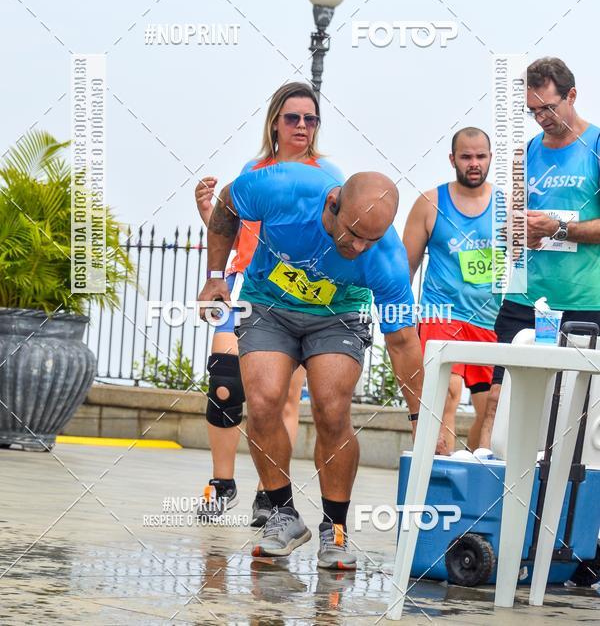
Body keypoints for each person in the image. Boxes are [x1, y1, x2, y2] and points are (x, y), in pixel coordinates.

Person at [199, 164, 429, 570]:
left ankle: (335, 530)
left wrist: (419, 417)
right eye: (353, 234)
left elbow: (403, 341)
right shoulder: (285, 190)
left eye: (369, 240)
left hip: (338, 315)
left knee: (331, 406)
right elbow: (228, 204)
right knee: (265, 399)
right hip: (269, 305)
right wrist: (216, 276)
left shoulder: (386, 258)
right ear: (333, 203)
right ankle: (283, 514)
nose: (359, 247)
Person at [195, 81, 348, 526]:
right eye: (293, 118)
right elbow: (237, 230)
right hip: (253, 288)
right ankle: (223, 483)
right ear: (275, 123)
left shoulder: (328, 175)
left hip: (305, 294)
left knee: (281, 397)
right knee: (226, 380)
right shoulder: (254, 169)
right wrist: (211, 222)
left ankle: (271, 494)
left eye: (310, 119)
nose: (302, 126)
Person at [479, 57, 600, 448]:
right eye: (533, 111)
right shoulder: (523, 154)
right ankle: (495, 496)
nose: (541, 118)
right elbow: (512, 222)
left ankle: (561, 502)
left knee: (574, 417)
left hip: (584, 301)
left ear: (572, 96)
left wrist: (560, 228)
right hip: (524, 298)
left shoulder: (594, 146)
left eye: (548, 107)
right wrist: (516, 232)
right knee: (499, 402)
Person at [403, 128, 501, 453]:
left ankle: (473, 474)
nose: (474, 163)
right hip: (441, 314)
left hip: (489, 320)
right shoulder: (430, 203)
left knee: (490, 408)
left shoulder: (507, 208)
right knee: (447, 392)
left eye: (480, 156)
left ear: (490, 158)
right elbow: (406, 269)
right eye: (466, 156)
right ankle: (435, 474)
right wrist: (399, 325)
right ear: (453, 159)